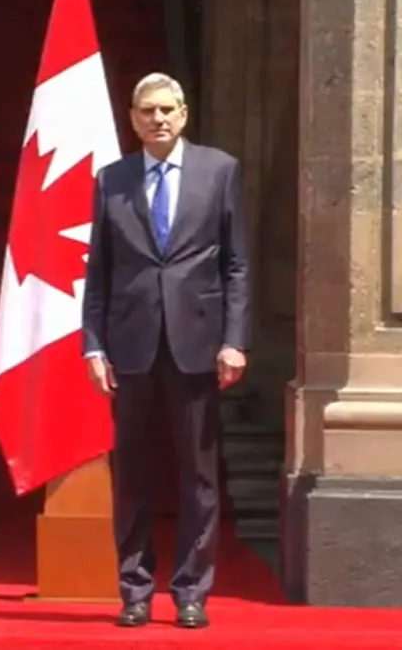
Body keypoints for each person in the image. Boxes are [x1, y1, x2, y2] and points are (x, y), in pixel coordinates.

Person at [82, 72, 249, 630]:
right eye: (147, 111)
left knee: (197, 474)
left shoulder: (219, 171)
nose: (158, 118)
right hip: (130, 345)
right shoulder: (112, 180)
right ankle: (134, 590)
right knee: (132, 472)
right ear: (132, 120)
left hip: (196, 343)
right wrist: (92, 345)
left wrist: (234, 339)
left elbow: (236, 264)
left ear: (183, 114)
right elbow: (99, 271)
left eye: (166, 109)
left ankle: (191, 592)